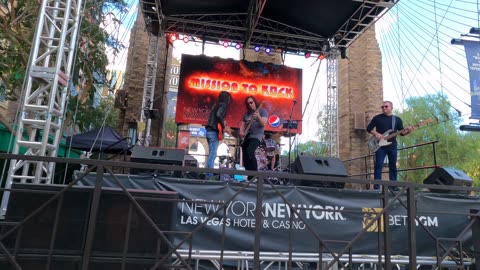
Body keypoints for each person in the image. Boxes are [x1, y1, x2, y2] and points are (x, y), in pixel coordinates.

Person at [366, 101, 413, 190]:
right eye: (382, 107)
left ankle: (393, 185)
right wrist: (376, 134)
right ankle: (377, 186)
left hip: (392, 146)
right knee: (379, 165)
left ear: (391, 107)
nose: (384, 108)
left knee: (393, 166)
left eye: (386, 106)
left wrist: (409, 131)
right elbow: (369, 128)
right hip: (380, 146)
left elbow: (402, 133)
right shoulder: (377, 118)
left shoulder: (397, 120)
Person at [205, 91, 232, 179]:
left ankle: (208, 173)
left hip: (209, 131)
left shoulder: (216, 106)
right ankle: (209, 175)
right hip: (213, 132)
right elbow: (219, 115)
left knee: (211, 154)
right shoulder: (223, 105)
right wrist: (224, 127)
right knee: (213, 154)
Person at [239, 96, 268, 172]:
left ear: (255, 102)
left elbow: (263, 124)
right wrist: (241, 132)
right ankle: (250, 176)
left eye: (251, 102)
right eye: (248, 104)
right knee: (245, 156)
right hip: (247, 136)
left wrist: (258, 117)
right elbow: (242, 125)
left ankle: (255, 174)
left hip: (257, 136)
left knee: (250, 152)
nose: (250, 105)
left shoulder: (262, 111)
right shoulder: (246, 114)